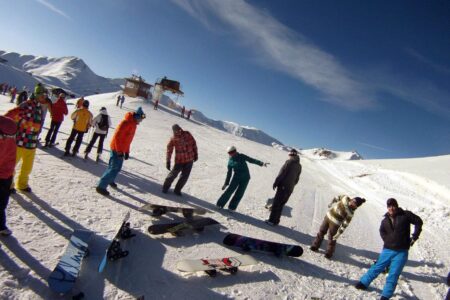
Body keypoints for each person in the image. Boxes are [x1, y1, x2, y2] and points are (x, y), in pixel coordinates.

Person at [355, 198, 423, 300]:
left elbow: (419, 222)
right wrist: (387, 240)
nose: (391, 208)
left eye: (393, 205)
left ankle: (385, 296)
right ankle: (363, 283)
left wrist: (414, 237)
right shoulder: (385, 220)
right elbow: (382, 231)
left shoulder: (405, 215)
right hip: (387, 250)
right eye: (389, 206)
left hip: (401, 252)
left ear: (396, 206)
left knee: (393, 274)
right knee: (377, 267)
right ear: (387, 207)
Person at [96, 107, 145, 196]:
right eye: (140, 119)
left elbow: (127, 140)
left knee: (117, 168)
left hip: (121, 149)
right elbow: (117, 138)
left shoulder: (133, 124)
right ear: (136, 117)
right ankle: (101, 186)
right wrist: (119, 151)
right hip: (116, 149)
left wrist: (127, 151)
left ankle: (111, 180)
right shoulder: (126, 123)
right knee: (113, 167)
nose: (140, 121)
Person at [5, 90, 45, 192]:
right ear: (37, 95)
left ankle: (22, 184)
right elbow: (10, 115)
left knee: (27, 166)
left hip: (32, 142)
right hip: (20, 140)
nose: (44, 97)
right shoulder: (26, 104)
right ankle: (8, 185)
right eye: (42, 95)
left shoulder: (39, 107)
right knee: (12, 165)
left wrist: (36, 130)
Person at [216, 146, 268, 211]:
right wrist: (226, 183)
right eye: (230, 152)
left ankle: (232, 208)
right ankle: (220, 204)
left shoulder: (241, 156)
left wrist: (261, 163)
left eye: (233, 151)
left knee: (240, 193)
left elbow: (251, 160)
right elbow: (229, 173)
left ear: (235, 150)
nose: (232, 153)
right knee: (229, 191)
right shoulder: (230, 162)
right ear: (228, 153)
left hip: (246, 178)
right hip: (236, 178)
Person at [266, 149, 302, 226]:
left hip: (283, 187)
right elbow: (297, 179)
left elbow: (282, 173)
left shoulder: (289, 162)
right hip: (290, 189)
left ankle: (272, 221)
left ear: (291, 155)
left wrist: (276, 183)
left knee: (276, 203)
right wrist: (291, 185)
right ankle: (276, 221)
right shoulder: (299, 166)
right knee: (281, 204)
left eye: (289, 154)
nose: (288, 156)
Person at [162, 124, 198, 196]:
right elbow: (169, 150)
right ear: (173, 131)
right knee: (172, 175)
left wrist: (196, 154)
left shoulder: (187, 134)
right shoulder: (173, 139)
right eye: (176, 131)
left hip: (189, 160)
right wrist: (168, 161)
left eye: (179, 129)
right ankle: (165, 187)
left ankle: (177, 190)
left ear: (180, 128)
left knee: (184, 177)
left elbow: (194, 143)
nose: (178, 131)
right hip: (179, 161)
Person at [0, 116, 17, 236]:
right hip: (6, 175)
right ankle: (1, 225)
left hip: (4, 174)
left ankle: (1, 225)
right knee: (1, 203)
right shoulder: (9, 125)